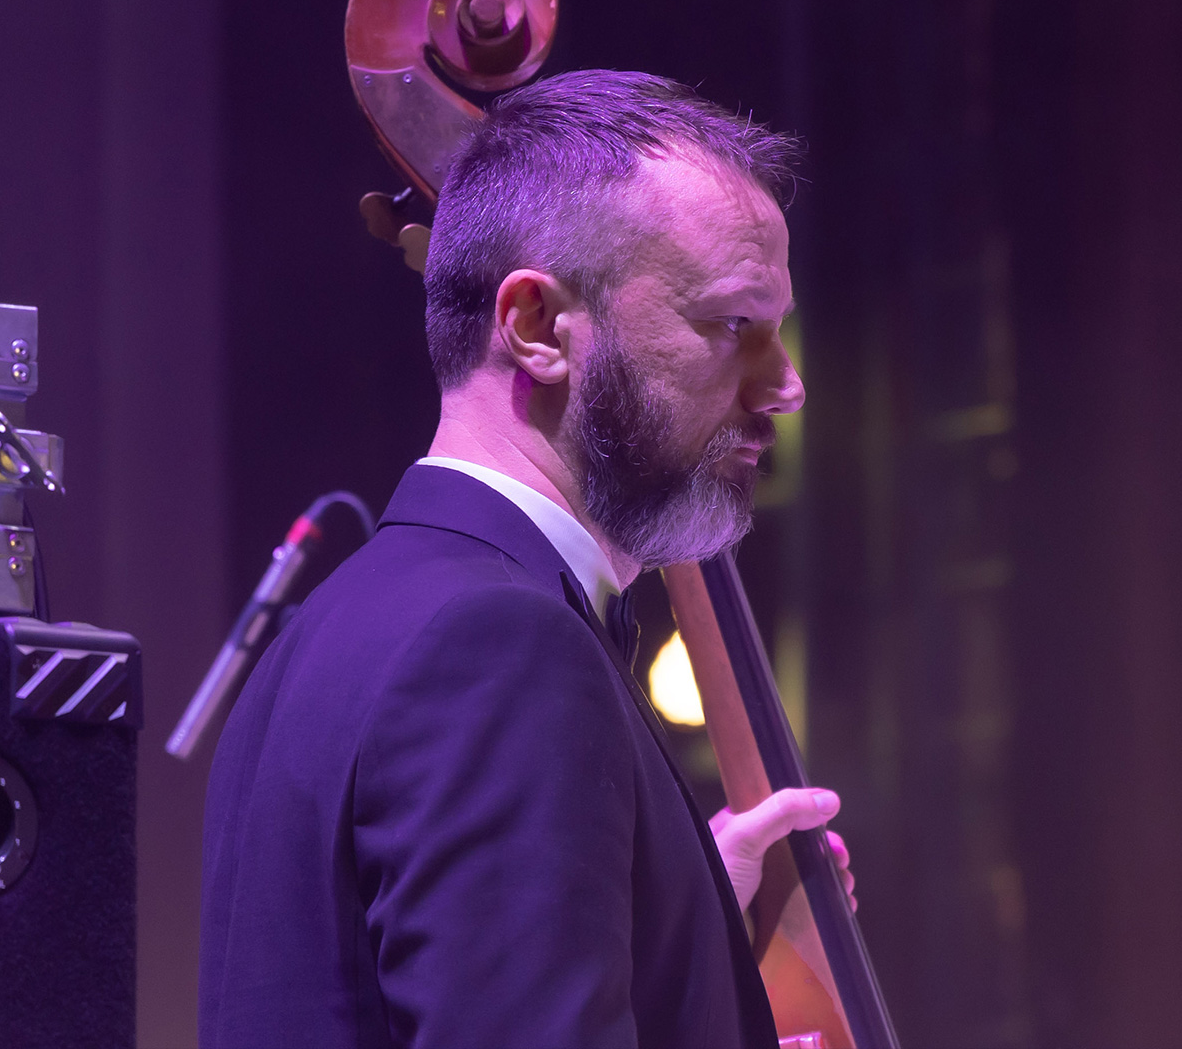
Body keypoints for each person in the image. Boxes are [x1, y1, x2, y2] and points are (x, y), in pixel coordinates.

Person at [199, 70, 852, 1049]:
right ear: (538, 327)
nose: (786, 385)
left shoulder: (330, 634)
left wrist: (669, 912)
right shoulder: (500, 648)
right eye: (734, 326)